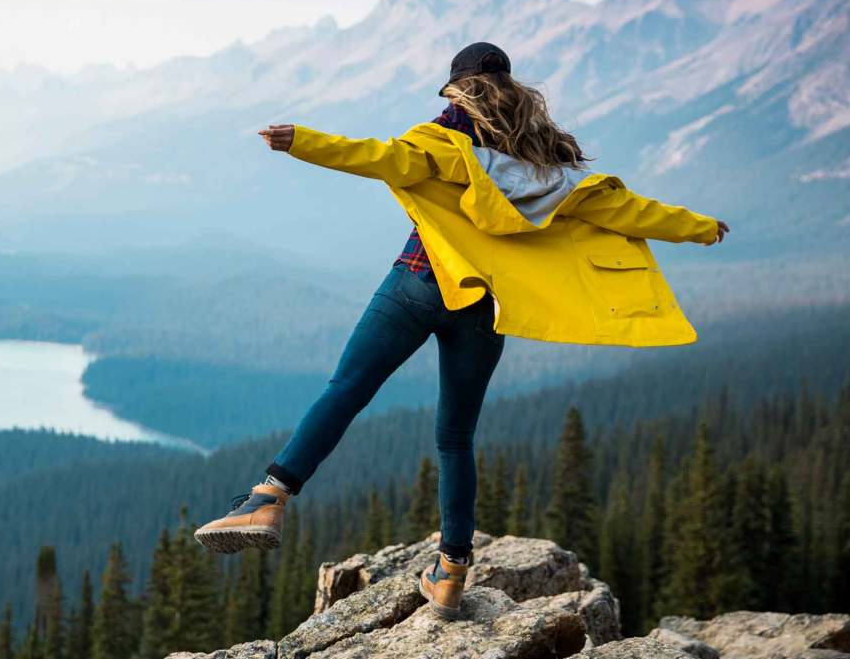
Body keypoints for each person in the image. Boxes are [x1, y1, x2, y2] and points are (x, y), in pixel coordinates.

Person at [192, 42, 729, 619]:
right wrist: (699, 227)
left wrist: (301, 140)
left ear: (457, 89)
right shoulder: (549, 166)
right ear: (512, 90)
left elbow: (377, 157)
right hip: (483, 306)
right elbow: (624, 210)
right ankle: (449, 573)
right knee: (455, 438)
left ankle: (268, 498)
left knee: (346, 389)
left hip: (419, 281)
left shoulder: (443, 142)